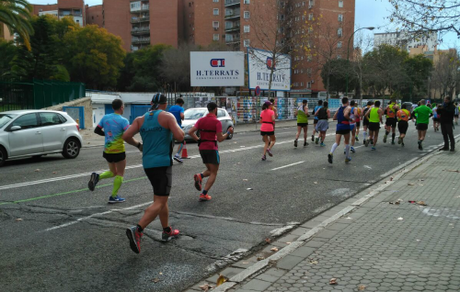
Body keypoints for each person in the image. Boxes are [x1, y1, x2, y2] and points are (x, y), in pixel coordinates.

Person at [124, 94, 185, 254]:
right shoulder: (167, 116)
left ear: (151, 103)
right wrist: (176, 128)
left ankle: (166, 230)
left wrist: (138, 145)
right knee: (159, 201)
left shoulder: (140, 119)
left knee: (160, 198)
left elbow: (126, 136)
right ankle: (138, 229)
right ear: (164, 104)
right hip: (163, 163)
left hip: (148, 163)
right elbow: (180, 136)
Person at [88, 99, 139, 204]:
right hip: (118, 151)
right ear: (121, 107)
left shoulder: (105, 117)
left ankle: (98, 176)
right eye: (123, 106)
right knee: (120, 173)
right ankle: (113, 196)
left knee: (113, 172)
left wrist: (106, 134)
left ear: (112, 107)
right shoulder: (123, 120)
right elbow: (128, 135)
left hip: (107, 150)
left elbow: (96, 130)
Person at [189, 102, 234, 201]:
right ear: (215, 109)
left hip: (202, 148)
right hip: (212, 148)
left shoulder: (201, 120)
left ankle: (199, 176)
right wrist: (228, 133)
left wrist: (199, 139)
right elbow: (220, 138)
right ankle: (204, 194)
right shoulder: (216, 122)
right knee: (214, 172)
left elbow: (190, 132)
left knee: (210, 170)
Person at [328, 98, 352, 164]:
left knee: (337, 142)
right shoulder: (348, 107)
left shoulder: (339, 108)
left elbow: (334, 117)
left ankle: (331, 153)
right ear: (347, 101)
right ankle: (347, 157)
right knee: (347, 142)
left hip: (339, 126)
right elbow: (345, 115)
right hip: (345, 125)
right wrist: (350, 119)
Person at [168, 98, 185, 163]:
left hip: (170, 127)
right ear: (181, 103)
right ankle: (177, 155)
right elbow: (182, 115)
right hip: (177, 127)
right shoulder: (181, 108)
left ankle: (169, 156)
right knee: (182, 141)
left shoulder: (171, 108)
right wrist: (182, 118)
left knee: (171, 142)